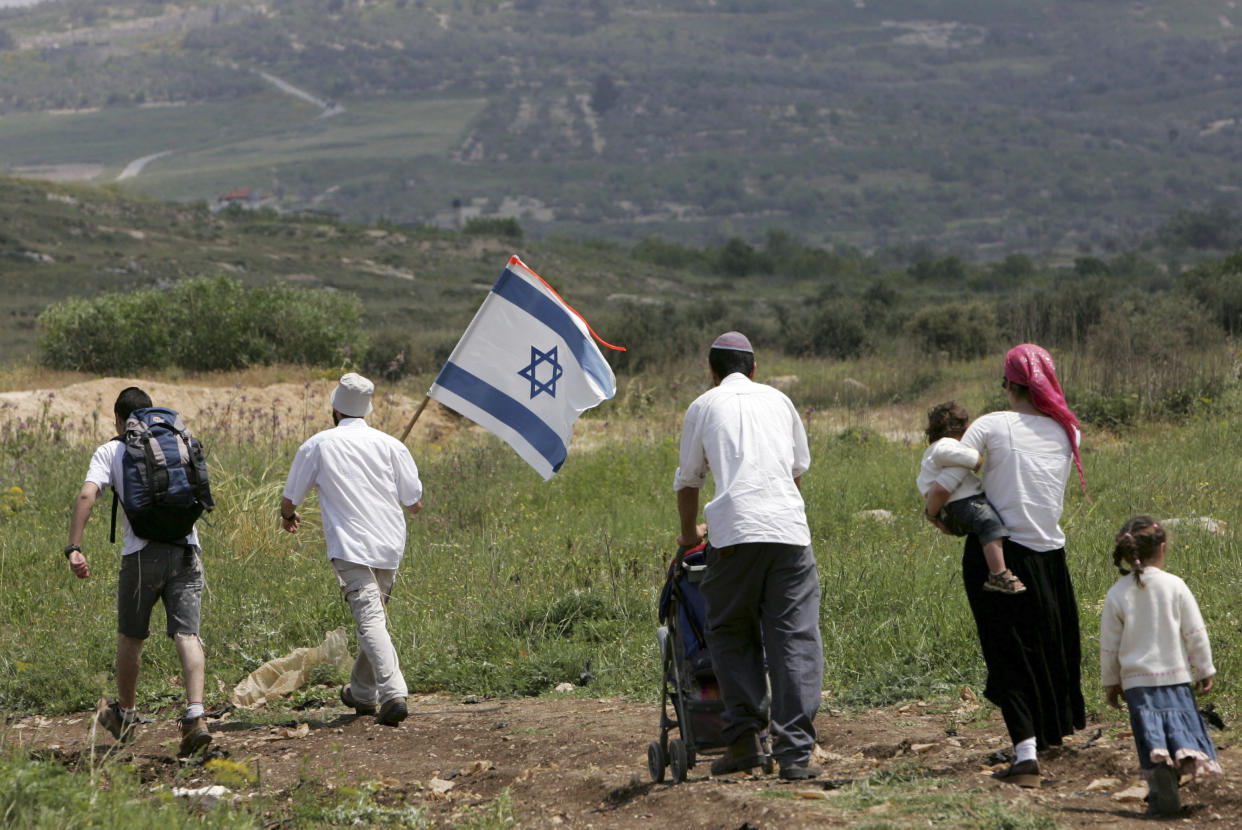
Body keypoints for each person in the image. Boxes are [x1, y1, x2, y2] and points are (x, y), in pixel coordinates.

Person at [924, 344, 1087, 789]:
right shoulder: (1069, 431)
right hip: (1050, 556)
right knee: (1049, 647)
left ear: (1008, 383)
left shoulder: (990, 425)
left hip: (998, 554)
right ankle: (1050, 738)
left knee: (1007, 651)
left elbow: (946, 484)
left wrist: (932, 513)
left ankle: (1026, 754)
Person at [674, 331, 823, 781]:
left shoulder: (703, 405)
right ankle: (795, 754)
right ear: (755, 369)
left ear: (712, 371)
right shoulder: (780, 402)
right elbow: (796, 474)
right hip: (789, 533)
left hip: (734, 533)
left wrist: (687, 536)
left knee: (732, 632)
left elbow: (689, 483)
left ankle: (743, 741)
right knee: (794, 639)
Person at [65, 386, 212, 757]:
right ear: (149, 415)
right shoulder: (172, 441)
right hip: (186, 550)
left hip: (142, 555)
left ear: (119, 419)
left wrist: (74, 547)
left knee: (132, 637)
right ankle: (196, 716)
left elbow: (87, 495)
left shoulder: (112, 450)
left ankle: (126, 715)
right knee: (187, 634)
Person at [280, 373, 423, 727]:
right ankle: (361, 692)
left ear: (335, 409)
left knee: (370, 621)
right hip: (390, 545)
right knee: (373, 621)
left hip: (351, 547)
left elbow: (290, 499)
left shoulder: (318, 445)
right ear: (367, 409)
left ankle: (394, 693)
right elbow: (415, 503)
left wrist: (288, 515)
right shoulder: (391, 445)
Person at [1101, 516, 1220, 816]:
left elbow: (1109, 646)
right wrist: (1205, 668)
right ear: (1162, 548)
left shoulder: (1118, 593)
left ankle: (1163, 792)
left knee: (1151, 739)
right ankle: (1185, 762)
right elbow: (1195, 632)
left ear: (1127, 555)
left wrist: (1111, 682)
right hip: (1176, 678)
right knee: (1180, 728)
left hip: (1138, 684)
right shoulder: (1175, 585)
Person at [917, 401, 1023, 594]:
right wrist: (975, 458)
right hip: (961, 503)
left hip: (951, 508)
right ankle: (998, 573)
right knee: (989, 524)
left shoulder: (932, 451)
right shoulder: (944, 445)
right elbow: (967, 458)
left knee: (986, 528)